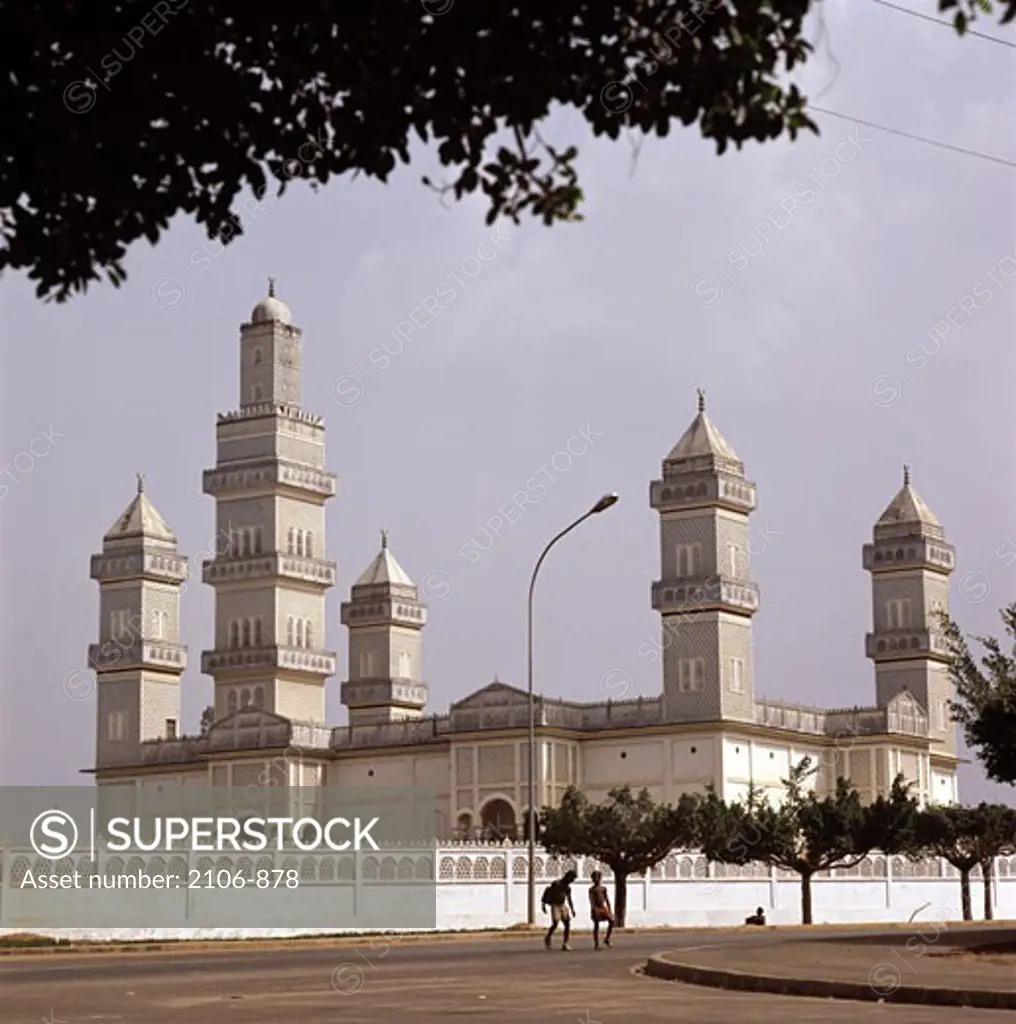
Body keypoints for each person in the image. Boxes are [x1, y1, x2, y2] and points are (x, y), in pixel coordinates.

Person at [541, 869, 577, 950]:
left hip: (562, 905)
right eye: (571, 879)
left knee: (567, 924)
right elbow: (547, 892)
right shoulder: (556, 884)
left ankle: (565, 943)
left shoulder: (568, 888)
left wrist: (572, 909)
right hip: (555, 905)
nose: (571, 881)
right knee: (555, 923)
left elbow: (569, 898)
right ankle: (548, 937)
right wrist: (543, 905)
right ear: (568, 877)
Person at [588, 870, 614, 950]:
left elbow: (606, 898)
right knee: (596, 925)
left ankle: (607, 939)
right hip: (596, 908)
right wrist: (593, 909)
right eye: (594, 878)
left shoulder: (603, 888)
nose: (596, 879)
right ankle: (596, 943)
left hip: (603, 907)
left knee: (612, 921)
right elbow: (591, 900)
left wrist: (609, 909)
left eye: (597, 877)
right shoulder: (592, 889)